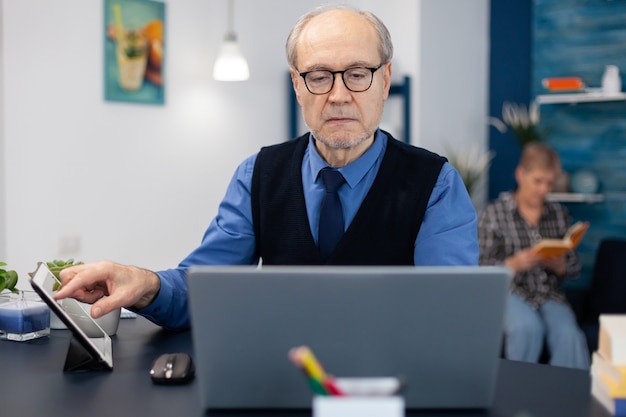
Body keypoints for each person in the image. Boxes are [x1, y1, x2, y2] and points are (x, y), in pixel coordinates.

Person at [54, 5, 478, 330]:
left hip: (388, 385)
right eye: (319, 76)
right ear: (297, 84)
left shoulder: (435, 184)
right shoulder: (258, 173)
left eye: (357, 74)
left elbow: (448, 317)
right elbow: (205, 289)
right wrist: (144, 283)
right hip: (275, 379)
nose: (338, 95)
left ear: (384, 80)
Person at [478, 142, 589, 369]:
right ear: (521, 174)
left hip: (550, 294)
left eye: (549, 183)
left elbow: (574, 269)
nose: (543, 190)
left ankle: (568, 398)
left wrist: (561, 266)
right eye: (538, 181)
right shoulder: (494, 213)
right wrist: (512, 264)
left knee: (569, 335)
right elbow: (480, 269)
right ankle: (519, 396)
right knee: (526, 329)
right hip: (510, 292)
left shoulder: (558, 214)